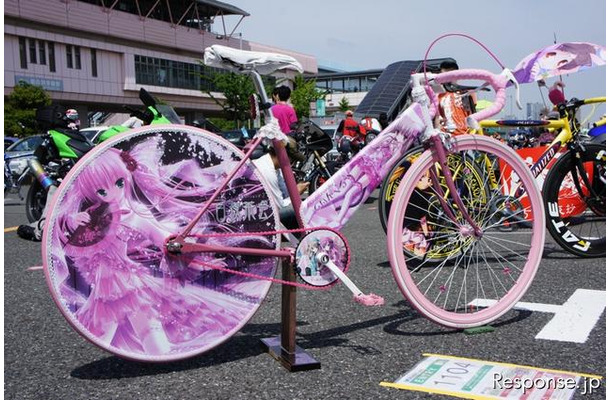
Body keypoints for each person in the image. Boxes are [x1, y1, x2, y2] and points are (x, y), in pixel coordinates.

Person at [17, 108, 80, 242]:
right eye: (73, 117)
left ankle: (41, 230)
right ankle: (43, 228)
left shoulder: (69, 135)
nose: (75, 121)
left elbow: (35, 159)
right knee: (55, 189)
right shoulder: (67, 135)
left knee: (54, 189)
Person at [252, 145, 308, 226]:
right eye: (292, 160)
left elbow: (284, 194)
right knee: (300, 209)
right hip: (257, 215)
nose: (292, 164)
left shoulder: (275, 168)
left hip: (262, 209)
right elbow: (279, 206)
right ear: (283, 156)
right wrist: (296, 193)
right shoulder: (267, 171)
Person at [436, 61, 477, 135]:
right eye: (444, 75)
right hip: (446, 137)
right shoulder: (438, 95)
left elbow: (474, 115)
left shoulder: (467, 92)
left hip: (464, 135)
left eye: (451, 74)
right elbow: (437, 118)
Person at [270, 86, 304, 162]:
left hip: (274, 140)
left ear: (277, 95)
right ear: (288, 97)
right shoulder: (290, 109)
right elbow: (294, 125)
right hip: (287, 140)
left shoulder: (272, 109)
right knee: (301, 159)